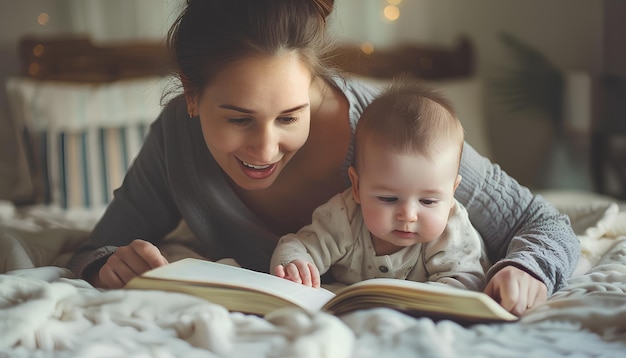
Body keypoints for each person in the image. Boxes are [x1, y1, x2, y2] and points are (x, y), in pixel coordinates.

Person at [67, 0, 580, 316]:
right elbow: (97, 247)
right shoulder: (175, 140)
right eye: (239, 119)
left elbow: (542, 223)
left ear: (314, 84)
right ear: (192, 96)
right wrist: (108, 264)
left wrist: (528, 268)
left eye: (290, 116)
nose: (265, 151)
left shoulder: (392, 130)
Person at [270, 80, 488, 291]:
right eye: (389, 199)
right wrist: (295, 264)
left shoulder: (452, 231)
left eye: (428, 201)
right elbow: (297, 246)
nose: (408, 215)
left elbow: (467, 285)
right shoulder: (344, 217)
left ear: (452, 193)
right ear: (357, 187)